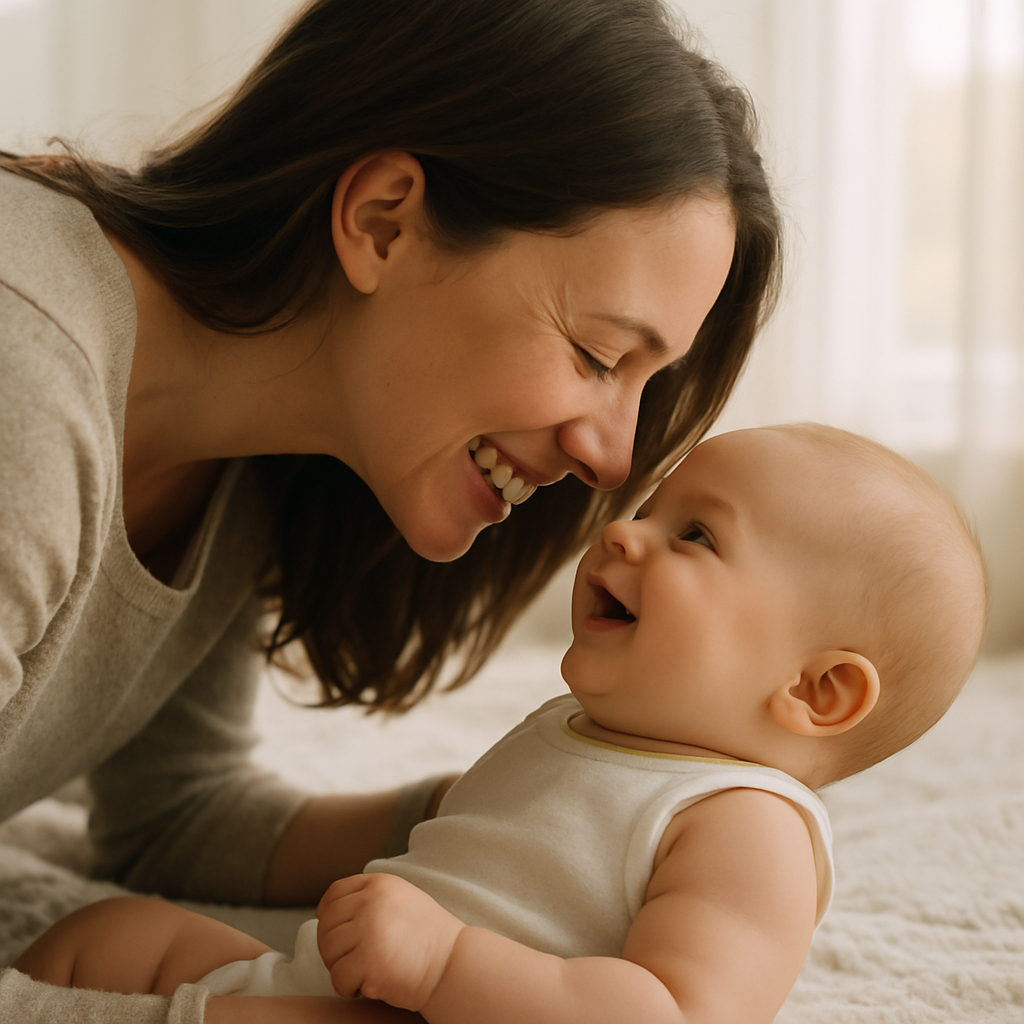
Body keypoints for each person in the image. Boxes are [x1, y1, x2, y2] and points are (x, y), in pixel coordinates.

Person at [0, 0, 784, 1021]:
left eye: (643, 385)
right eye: (597, 355)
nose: (613, 457)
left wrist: (515, 828)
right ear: (382, 221)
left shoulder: (243, 452)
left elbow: (169, 816)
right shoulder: (29, 374)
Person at [13, 424, 988, 1024]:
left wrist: (446, 963)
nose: (622, 528)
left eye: (695, 534)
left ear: (816, 692)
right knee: (109, 935)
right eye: (652, 506)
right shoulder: (586, 728)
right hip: (328, 975)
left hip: (438, 1009)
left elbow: (673, 1013)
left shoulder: (745, 824)